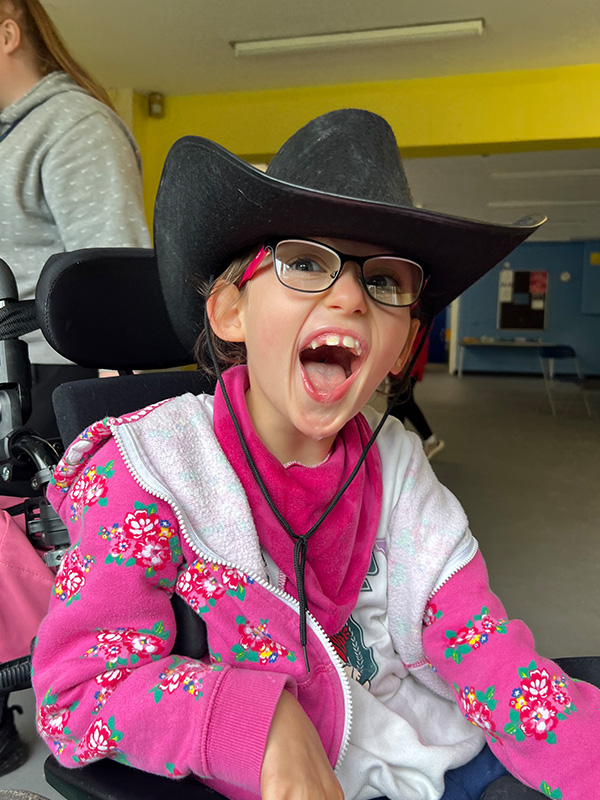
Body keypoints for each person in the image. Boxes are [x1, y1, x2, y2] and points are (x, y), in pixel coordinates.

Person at [31, 110, 599, 800]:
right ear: (231, 311)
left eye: (386, 282)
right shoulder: (152, 469)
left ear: (402, 346)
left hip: (437, 746)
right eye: (304, 263)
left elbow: (475, 641)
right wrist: (262, 724)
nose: (351, 296)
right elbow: (81, 691)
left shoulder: (397, 462)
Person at [0, 0, 151, 439]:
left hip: (54, 380)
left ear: (8, 37)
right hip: (14, 378)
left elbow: (120, 286)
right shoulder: (13, 135)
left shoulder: (76, 127)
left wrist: (117, 428)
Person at [387, 329, 445, 460]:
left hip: (406, 366)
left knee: (400, 401)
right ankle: (395, 445)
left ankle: (427, 439)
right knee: (399, 402)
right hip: (406, 365)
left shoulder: (417, 314)